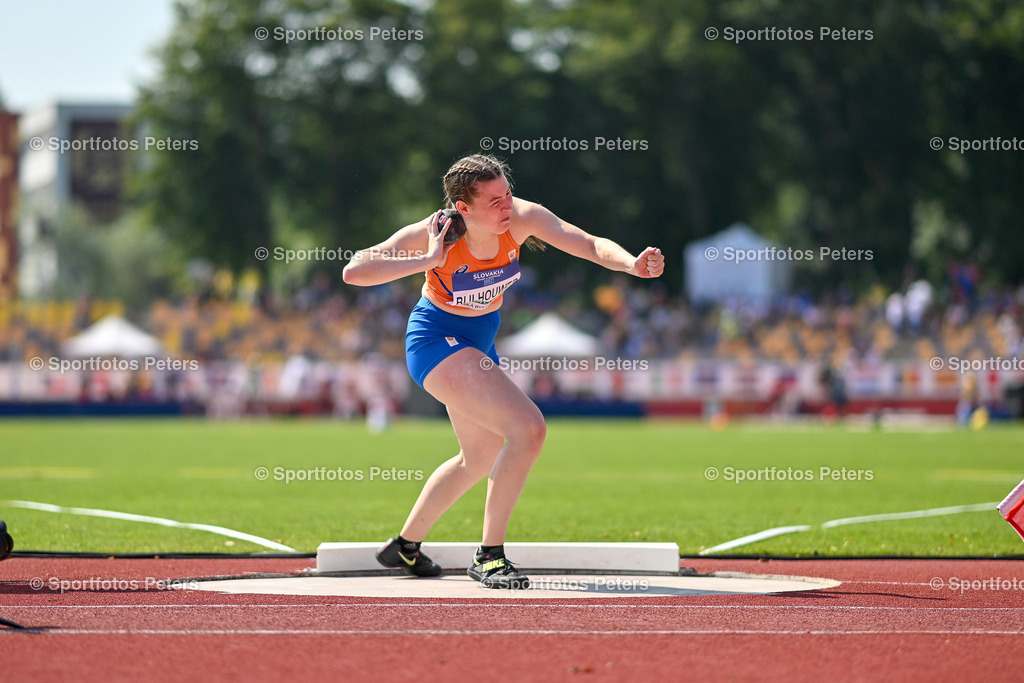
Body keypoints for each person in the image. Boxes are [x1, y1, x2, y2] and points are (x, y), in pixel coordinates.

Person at [342, 154, 665, 588]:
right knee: (528, 427)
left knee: (476, 458)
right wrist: (428, 259)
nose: (506, 206)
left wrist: (630, 263)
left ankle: (404, 545)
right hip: (436, 341)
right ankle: (490, 555)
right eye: (494, 201)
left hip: (478, 343)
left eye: (507, 193)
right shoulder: (433, 232)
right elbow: (355, 270)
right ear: (463, 208)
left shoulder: (522, 219)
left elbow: (587, 244)